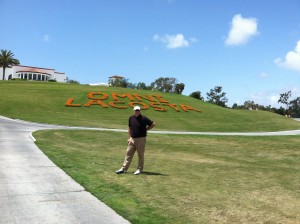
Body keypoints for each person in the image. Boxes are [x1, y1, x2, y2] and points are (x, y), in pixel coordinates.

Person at [116, 106, 155, 175]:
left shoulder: (144, 118)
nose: (137, 111)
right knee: (128, 154)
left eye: (138, 110)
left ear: (139, 111)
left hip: (141, 139)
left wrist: (146, 129)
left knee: (140, 155)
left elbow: (153, 124)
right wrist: (129, 137)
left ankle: (139, 169)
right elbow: (129, 128)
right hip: (132, 139)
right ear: (133, 111)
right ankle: (124, 168)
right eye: (136, 110)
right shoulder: (131, 118)